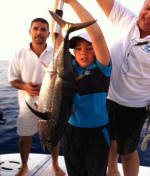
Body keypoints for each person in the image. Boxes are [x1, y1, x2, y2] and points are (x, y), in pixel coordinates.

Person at [51, 0, 112, 175]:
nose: (83, 53)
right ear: (73, 51)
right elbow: (56, 37)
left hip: (97, 134)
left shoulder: (103, 67)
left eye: (89, 48)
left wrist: (72, 2)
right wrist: (58, 3)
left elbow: (98, 36)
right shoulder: (69, 66)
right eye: (78, 48)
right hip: (71, 132)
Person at [96, 0, 150, 176]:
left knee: (127, 152)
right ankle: (111, 170)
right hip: (107, 98)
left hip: (134, 107)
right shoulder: (126, 18)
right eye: (148, 8)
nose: (148, 15)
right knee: (109, 142)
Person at [8, 18, 65, 176]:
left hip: (52, 104)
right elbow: (12, 80)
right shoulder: (19, 54)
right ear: (30, 31)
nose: (39, 32)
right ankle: (24, 166)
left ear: (48, 33)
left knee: (54, 136)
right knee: (25, 137)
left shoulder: (55, 53)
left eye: (43, 29)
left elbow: (62, 78)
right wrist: (25, 87)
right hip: (27, 105)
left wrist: (46, 88)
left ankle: (55, 164)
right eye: (36, 28)